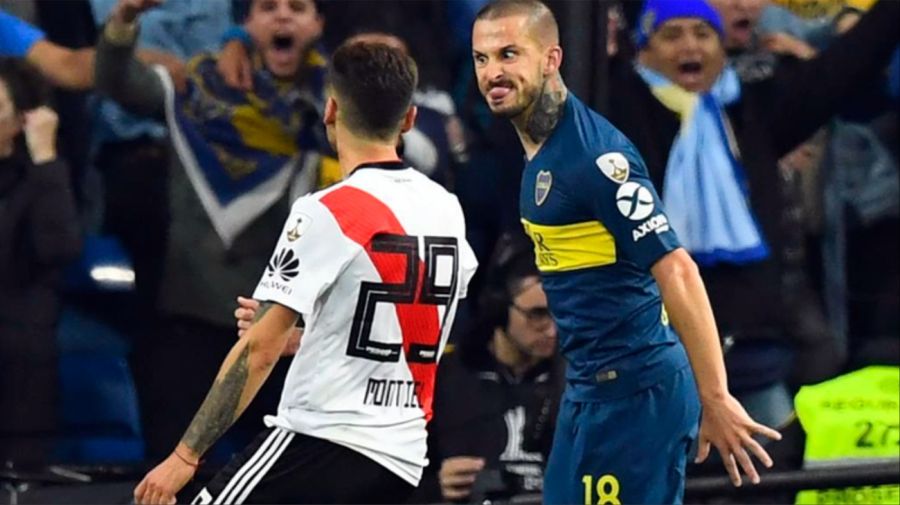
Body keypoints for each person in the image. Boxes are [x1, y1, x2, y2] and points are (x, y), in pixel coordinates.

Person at [133, 39, 478, 504]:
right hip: (402, 457)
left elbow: (258, 348)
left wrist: (184, 457)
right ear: (410, 119)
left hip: (322, 440)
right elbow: (421, 325)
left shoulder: (329, 210)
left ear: (330, 109)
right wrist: (309, 338)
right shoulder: (447, 209)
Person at [470, 1, 781, 503]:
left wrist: (715, 396)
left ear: (551, 58)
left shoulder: (595, 157)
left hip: (636, 391)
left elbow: (677, 268)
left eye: (509, 54)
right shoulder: (536, 151)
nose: (494, 73)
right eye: (482, 59)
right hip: (590, 389)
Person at [95, 0, 334, 462]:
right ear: (246, 23)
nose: (283, 17)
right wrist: (124, 18)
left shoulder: (335, 103)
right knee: (170, 468)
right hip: (191, 315)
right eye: (268, 8)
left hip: (286, 329)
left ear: (319, 25)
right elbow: (115, 81)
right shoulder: (200, 89)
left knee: (286, 480)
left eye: (298, 8)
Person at [414, 233, 562, 503]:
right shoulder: (446, 378)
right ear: (499, 308)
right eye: (537, 314)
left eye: (558, 314)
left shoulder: (574, 381)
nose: (551, 329)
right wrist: (435, 487)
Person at [0, 58, 82, 468]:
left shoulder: (39, 180)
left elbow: (61, 247)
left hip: (19, 374)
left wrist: (46, 158)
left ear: (21, 120)